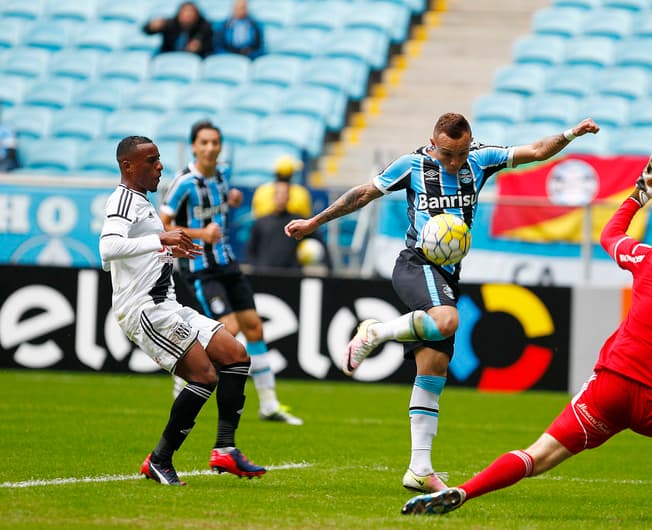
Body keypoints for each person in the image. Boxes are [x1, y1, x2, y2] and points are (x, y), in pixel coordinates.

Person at [400, 155, 652, 515]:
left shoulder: (647, 258)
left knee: (538, 455)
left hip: (610, 387)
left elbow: (609, 235)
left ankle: (465, 492)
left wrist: (639, 195)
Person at [285, 112, 600, 492]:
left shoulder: (480, 160)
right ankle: (376, 332)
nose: (455, 162)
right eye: (448, 154)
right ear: (433, 143)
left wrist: (572, 132)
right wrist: (314, 223)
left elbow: (535, 150)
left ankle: (419, 469)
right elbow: (362, 194)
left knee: (433, 371)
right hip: (416, 263)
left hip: (448, 273)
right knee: (448, 320)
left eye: (461, 152)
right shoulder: (412, 166)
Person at [99, 136, 266, 486]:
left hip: (168, 304)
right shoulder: (123, 199)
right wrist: (161, 240)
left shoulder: (143, 202)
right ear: (128, 166)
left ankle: (225, 449)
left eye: (159, 159)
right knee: (204, 376)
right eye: (151, 161)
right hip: (145, 309)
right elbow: (108, 248)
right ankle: (159, 460)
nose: (159, 166)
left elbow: (140, 252)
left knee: (236, 355)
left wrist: (169, 252)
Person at [160, 120, 303, 425]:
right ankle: (183, 377)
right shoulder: (183, 182)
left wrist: (231, 199)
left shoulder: (223, 174)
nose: (210, 148)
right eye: (204, 143)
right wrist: (200, 233)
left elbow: (219, 202)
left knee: (254, 327)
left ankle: (269, 404)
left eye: (215, 142)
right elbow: (164, 226)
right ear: (194, 146)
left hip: (227, 262)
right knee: (228, 329)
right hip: (200, 268)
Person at [143, 1, 214, 58]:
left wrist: (199, 48)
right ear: (179, 14)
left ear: (197, 15)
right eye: (185, 12)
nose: (187, 16)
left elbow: (209, 47)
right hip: (168, 56)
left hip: (192, 59)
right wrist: (151, 26)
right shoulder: (170, 24)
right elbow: (147, 31)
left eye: (191, 13)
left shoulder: (204, 27)